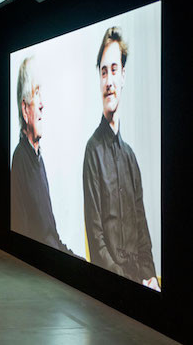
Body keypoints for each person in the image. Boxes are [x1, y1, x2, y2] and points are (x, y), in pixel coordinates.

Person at [83, 27, 159, 291]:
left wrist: (149, 279)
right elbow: (96, 241)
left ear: (123, 76)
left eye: (114, 70)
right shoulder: (92, 151)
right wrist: (132, 284)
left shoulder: (131, 158)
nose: (108, 81)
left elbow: (144, 237)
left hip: (140, 282)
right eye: (103, 72)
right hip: (112, 286)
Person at [11, 56, 74, 254]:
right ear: (24, 109)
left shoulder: (38, 159)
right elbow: (24, 236)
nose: (42, 104)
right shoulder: (20, 160)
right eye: (36, 94)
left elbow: (50, 234)